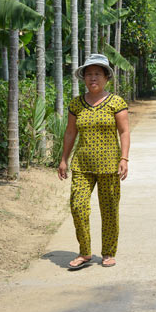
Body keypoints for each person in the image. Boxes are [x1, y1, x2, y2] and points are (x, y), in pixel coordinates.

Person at [58, 54, 130, 269]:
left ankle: (108, 252)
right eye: (89, 74)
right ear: (84, 78)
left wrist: (124, 158)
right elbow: (70, 133)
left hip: (110, 165)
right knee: (78, 207)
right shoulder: (76, 104)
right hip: (82, 165)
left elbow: (124, 131)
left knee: (109, 211)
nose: (93, 78)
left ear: (106, 77)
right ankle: (85, 252)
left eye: (97, 74)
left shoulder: (116, 102)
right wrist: (63, 159)